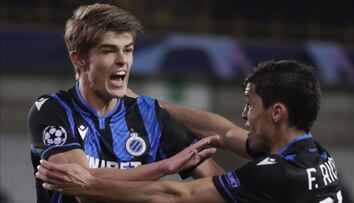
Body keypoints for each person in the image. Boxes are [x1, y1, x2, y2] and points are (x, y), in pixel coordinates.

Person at [37, 60, 343, 203]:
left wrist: (87, 185)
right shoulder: (318, 156)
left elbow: (173, 195)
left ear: (277, 112)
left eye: (250, 105)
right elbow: (224, 135)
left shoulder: (274, 173)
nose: (244, 115)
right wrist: (145, 105)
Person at [28, 3, 223, 203]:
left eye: (128, 50)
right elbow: (83, 187)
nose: (123, 60)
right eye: (108, 50)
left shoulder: (150, 116)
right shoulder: (52, 109)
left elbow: (222, 186)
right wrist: (164, 167)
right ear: (79, 59)